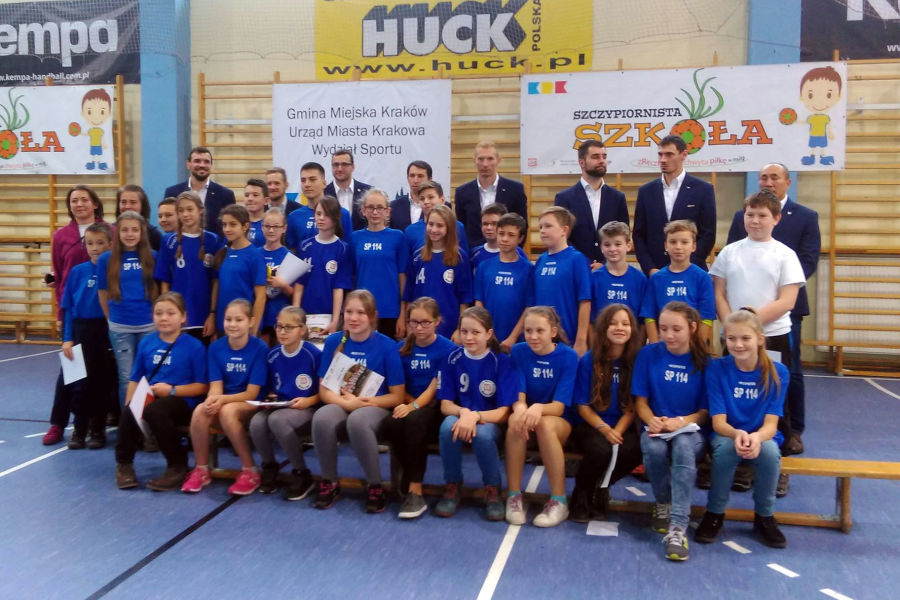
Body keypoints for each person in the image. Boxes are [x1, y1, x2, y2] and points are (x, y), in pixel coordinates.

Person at [710, 188, 805, 496]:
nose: (755, 220)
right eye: (750, 214)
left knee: (774, 400)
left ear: (776, 219)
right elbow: (719, 293)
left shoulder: (785, 255)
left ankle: (776, 465)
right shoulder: (730, 251)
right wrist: (732, 327)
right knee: (735, 397)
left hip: (772, 336)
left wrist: (750, 324)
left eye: (762, 215)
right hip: (735, 337)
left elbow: (787, 300)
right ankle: (737, 462)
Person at [726, 163, 820, 455]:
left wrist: (780, 290)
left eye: (774, 177)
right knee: (739, 377)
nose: (768, 181)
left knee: (787, 374)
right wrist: (736, 321)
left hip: (782, 315)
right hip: (740, 319)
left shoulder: (805, 217)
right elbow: (730, 266)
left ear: (787, 182)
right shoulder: (741, 220)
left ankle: (791, 431)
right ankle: (737, 434)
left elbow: (808, 261)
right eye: (763, 177)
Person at [694, 308, 789, 549]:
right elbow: (718, 422)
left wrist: (756, 438)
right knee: (726, 451)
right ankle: (714, 513)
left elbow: (771, 424)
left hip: (762, 435)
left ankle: (765, 516)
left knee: (770, 453)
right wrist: (737, 434)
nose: (738, 344)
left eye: (745, 338)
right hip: (727, 433)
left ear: (760, 339)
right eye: (731, 338)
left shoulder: (778, 372)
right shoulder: (717, 368)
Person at [310, 290, 405, 512]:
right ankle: (329, 481)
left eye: (360, 313)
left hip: (375, 406)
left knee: (358, 421)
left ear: (373, 316)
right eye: (349, 312)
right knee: (322, 417)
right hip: (344, 403)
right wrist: (347, 404)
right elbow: (324, 390)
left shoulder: (387, 346)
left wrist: (364, 403)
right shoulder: (334, 341)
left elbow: (397, 396)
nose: (353, 318)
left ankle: (375, 486)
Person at [633, 301, 709, 561]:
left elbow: (704, 412)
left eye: (676, 329)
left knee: (684, 446)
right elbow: (641, 403)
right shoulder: (648, 354)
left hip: (690, 431)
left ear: (692, 328)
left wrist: (682, 421)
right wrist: (652, 420)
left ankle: (678, 526)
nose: (668, 335)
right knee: (653, 447)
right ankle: (663, 502)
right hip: (658, 427)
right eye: (663, 328)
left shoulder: (704, 361)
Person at [114, 292, 208, 491]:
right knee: (131, 410)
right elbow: (135, 379)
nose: (164, 318)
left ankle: (177, 465)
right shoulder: (147, 343)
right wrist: (130, 408)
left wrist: (171, 390)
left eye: (170, 313)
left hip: (184, 400)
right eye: (158, 313)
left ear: (183, 317)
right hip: (154, 397)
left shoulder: (194, 347)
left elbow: (202, 386)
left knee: (155, 410)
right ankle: (124, 465)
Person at [435, 307, 516, 520]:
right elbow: (445, 405)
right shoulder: (451, 358)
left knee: (482, 435)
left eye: (475, 332)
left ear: (489, 334)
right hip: (462, 415)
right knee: (447, 428)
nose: (468, 337)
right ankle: (452, 485)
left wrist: (476, 417)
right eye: (464, 332)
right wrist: (464, 413)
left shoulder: (501, 361)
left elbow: (504, 413)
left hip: (490, 420)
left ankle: (493, 490)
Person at [182, 299, 269, 496]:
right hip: (225, 400)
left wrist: (221, 400)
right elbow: (215, 386)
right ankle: (202, 469)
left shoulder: (259, 348)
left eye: (239, 319)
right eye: (228, 319)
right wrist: (212, 400)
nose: (232, 324)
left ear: (251, 321)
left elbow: (252, 393)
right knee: (200, 411)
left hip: (251, 402)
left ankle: (250, 470)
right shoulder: (215, 347)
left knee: (228, 412)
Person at [44, 185, 107, 445]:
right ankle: (60, 424)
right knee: (72, 375)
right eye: (74, 200)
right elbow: (59, 275)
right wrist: (62, 316)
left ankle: (96, 427)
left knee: (100, 378)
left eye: (84, 199)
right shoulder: (61, 236)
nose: (79, 204)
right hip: (75, 318)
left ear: (95, 203)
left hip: (104, 323)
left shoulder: (109, 231)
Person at [382, 297, 457, 519]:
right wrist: (408, 404)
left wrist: (413, 406)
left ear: (437, 321)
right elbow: (397, 385)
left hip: (436, 406)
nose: (419, 328)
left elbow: (435, 388)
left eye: (425, 322)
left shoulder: (448, 349)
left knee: (415, 421)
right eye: (414, 322)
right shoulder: (400, 348)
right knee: (391, 423)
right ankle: (407, 474)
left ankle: (415, 489)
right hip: (409, 402)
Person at [505, 306, 578, 527]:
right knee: (514, 420)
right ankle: (514, 496)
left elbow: (559, 407)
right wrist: (520, 409)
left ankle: (559, 500)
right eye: (528, 331)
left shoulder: (568, 356)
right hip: (529, 417)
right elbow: (519, 395)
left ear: (553, 332)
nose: (533, 336)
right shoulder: (519, 352)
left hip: (559, 421)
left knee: (545, 424)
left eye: (540, 330)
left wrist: (537, 407)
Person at [570, 304, 644, 522]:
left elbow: (633, 407)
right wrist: (604, 429)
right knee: (600, 449)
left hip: (622, 424)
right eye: (613, 323)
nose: (619, 328)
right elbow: (582, 405)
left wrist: (616, 431)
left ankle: (600, 487)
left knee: (635, 449)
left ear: (632, 329)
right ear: (603, 328)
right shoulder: (589, 360)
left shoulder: (636, 361)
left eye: (625, 323)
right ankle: (582, 493)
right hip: (591, 424)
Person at [250, 306, 322, 499]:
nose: (282, 332)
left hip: (308, 408)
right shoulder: (272, 355)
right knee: (257, 422)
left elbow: (324, 392)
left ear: (302, 329)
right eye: (279, 326)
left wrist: (309, 400)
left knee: (277, 420)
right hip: (282, 406)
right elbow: (267, 388)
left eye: (289, 327)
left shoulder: (313, 354)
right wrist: (267, 400)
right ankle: (269, 466)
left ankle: (301, 472)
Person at [58, 223, 116, 449]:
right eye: (90, 243)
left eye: (100, 243)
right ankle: (79, 428)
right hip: (80, 330)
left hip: (103, 329)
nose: (95, 248)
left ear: (110, 244)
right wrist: (67, 338)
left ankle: (97, 429)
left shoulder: (113, 271)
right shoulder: (77, 272)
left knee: (101, 382)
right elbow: (68, 308)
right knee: (78, 384)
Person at [97, 211, 158, 413]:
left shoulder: (153, 257)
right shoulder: (106, 260)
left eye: (134, 230)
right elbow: (103, 293)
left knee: (148, 376)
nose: (129, 234)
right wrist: (111, 320)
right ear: (117, 233)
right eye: (124, 230)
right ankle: (129, 423)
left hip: (148, 326)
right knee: (126, 377)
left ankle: (148, 423)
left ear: (142, 232)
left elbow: (158, 290)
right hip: (120, 327)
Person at [633, 135, 716, 276]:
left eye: (669, 154)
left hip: (691, 272)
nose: (663, 159)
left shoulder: (703, 190)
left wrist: (687, 266)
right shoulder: (646, 191)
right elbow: (639, 234)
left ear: (683, 155)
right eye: (660, 154)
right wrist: (650, 268)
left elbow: (708, 234)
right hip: (655, 272)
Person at [154, 191, 220, 342]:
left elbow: (215, 281)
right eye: (181, 210)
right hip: (178, 318)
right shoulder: (168, 241)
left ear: (200, 210)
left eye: (190, 209)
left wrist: (212, 314)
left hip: (204, 317)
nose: (185, 214)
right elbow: (165, 282)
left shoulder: (213, 240)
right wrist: (167, 313)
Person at [639, 220, 715, 345]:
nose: (678, 247)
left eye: (684, 242)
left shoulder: (703, 278)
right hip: (663, 345)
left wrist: (696, 349)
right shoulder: (656, 279)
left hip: (692, 347)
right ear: (666, 246)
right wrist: (656, 346)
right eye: (673, 242)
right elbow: (649, 316)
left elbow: (707, 317)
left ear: (694, 246)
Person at [403, 204, 473, 340]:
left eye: (440, 226)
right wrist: (409, 325)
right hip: (420, 327)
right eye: (431, 224)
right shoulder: (418, 256)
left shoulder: (459, 257)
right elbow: (409, 295)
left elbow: (464, 299)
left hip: (449, 326)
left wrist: (460, 329)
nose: (434, 229)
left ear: (449, 228)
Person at [553, 141, 629, 266]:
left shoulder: (617, 198)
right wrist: (583, 263)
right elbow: (562, 236)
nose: (602, 161)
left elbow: (623, 234)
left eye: (604, 157)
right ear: (581, 162)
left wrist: (605, 263)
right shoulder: (564, 198)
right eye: (595, 157)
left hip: (609, 268)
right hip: (575, 267)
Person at [351, 189, 410, 338]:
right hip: (362, 311)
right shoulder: (355, 238)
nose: (375, 212)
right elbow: (351, 276)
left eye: (380, 208)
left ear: (387, 211)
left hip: (390, 311)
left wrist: (403, 314)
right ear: (363, 210)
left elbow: (402, 277)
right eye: (370, 207)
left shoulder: (398, 237)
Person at [533, 207, 591, 357]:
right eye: (540, 227)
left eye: (548, 226)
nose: (542, 231)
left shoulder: (577, 260)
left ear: (564, 230)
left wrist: (581, 340)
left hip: (568, 338)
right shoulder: (540, 261)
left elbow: (585, 302)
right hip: (541, 338)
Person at [473, 212, 534, 351]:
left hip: (516, 340)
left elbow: (529, 307)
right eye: (501, 234)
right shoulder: (484, 267)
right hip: (488, 337)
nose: (505, 239)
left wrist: (513, 337)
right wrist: (487, 332)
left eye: (511, 235)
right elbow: (479, 303)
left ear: (520, 238)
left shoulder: (528, 269)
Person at [294, 196, 353, 338]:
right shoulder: (304, 246)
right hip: (305, 314)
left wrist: (335, 320)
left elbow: (339, 288)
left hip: (328, 314)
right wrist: (295, 316)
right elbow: (299, 285)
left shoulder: (343, 248)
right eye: (318, 214)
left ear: (335, 218)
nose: (321, 218)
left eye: (326, 215)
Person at [454, 141, 528, 248]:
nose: (485, 164)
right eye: (480, 159)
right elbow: (462, 227)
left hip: (506, 251)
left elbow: (522, 226)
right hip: (474, 253)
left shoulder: (515, 189)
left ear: (498, 160)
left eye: (490, 159)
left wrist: (513, 252)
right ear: (474, 160)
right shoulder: (462, 192)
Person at [210, 204, 267, 335]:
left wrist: (253, 329)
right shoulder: (223, 253)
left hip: (244, 325)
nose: (227, 229)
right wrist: (212, 315)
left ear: (245, 226)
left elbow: (261, 296)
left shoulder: (255, 255)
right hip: (223, 323)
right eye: (224, 225)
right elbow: (217, 286)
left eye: (232, 224)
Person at [164, 146, 236, 236]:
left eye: (206, 162)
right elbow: (168, 224)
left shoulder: (226, 195)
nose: (202, 165)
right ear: (188, 164)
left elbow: (231, 227)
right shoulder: (172, 192)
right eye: (197, 161)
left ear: (211, 165)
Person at [286, 162, 353, 250]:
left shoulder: (342, 213)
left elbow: (348, 249)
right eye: (303, 180)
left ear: (324, 183)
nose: (307, 184)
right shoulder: (294, 217)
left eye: (312, 179)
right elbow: (292, 251)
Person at [590, 221, 647, 322]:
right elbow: (589, 317)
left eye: (617, 244)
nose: (612, 249)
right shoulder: (593, 279)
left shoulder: (640, 279)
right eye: (607, 245)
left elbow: (643, 320)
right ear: (601, 248)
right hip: (601, 332)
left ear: (628, 246)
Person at [403, 181, 468, 255]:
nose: (426, 202)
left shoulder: (457, 226)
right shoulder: (410, 231)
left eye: (431, 197)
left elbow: (464, 257)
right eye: (422, 199)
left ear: (442, 200)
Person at [260, 208, 294, 346]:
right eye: (267, 226)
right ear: (262, 227)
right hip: (260, 315)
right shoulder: (255, 254)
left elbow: (294, 293)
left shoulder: (289, 256)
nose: (271, 230)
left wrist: (283, 285)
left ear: (284, 228)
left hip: (281, 316)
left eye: (276, 226)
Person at [798, 65, 843, 166]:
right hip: (813, 135)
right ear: (801, 96)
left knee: (822, 147)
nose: (819, 102)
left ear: (839, 96)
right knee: (813, 147)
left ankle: (823, 157)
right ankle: (812, 157)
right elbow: (804, 122)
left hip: (822, 135)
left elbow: (829, 126)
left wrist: (830, 133)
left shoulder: (826, 117)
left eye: (828, 95)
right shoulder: (811, 117)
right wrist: (796, 121)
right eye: (810, 95)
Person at [469, 202, 528, 274]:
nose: (489, 228)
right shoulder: (474, 253)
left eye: (494, 223)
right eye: (485, 224)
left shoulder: (517, 252)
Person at [325, 148, 372, 231]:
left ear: (353, 167)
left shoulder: (367, 192)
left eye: (344, 164)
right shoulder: (323, 193)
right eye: (336, 165)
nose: (339, 169)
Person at [117, 184, 163, 251]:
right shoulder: (111, 230)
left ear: (142, 205)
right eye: (123, 202)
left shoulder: (154, 234)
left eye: (133, 202)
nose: (127, 206)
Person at [389, 160, 431, 231]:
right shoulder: (394, 206)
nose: (415, 180)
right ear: (407, 178)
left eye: (420, 176)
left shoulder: (440, 206)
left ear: (430, 179)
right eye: (412, 176)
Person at [244, 178, 269, 248]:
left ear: (266, 201)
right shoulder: (237, 224)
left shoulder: (272, 226)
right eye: (246, 195)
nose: (250, 199)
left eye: (255, 195)